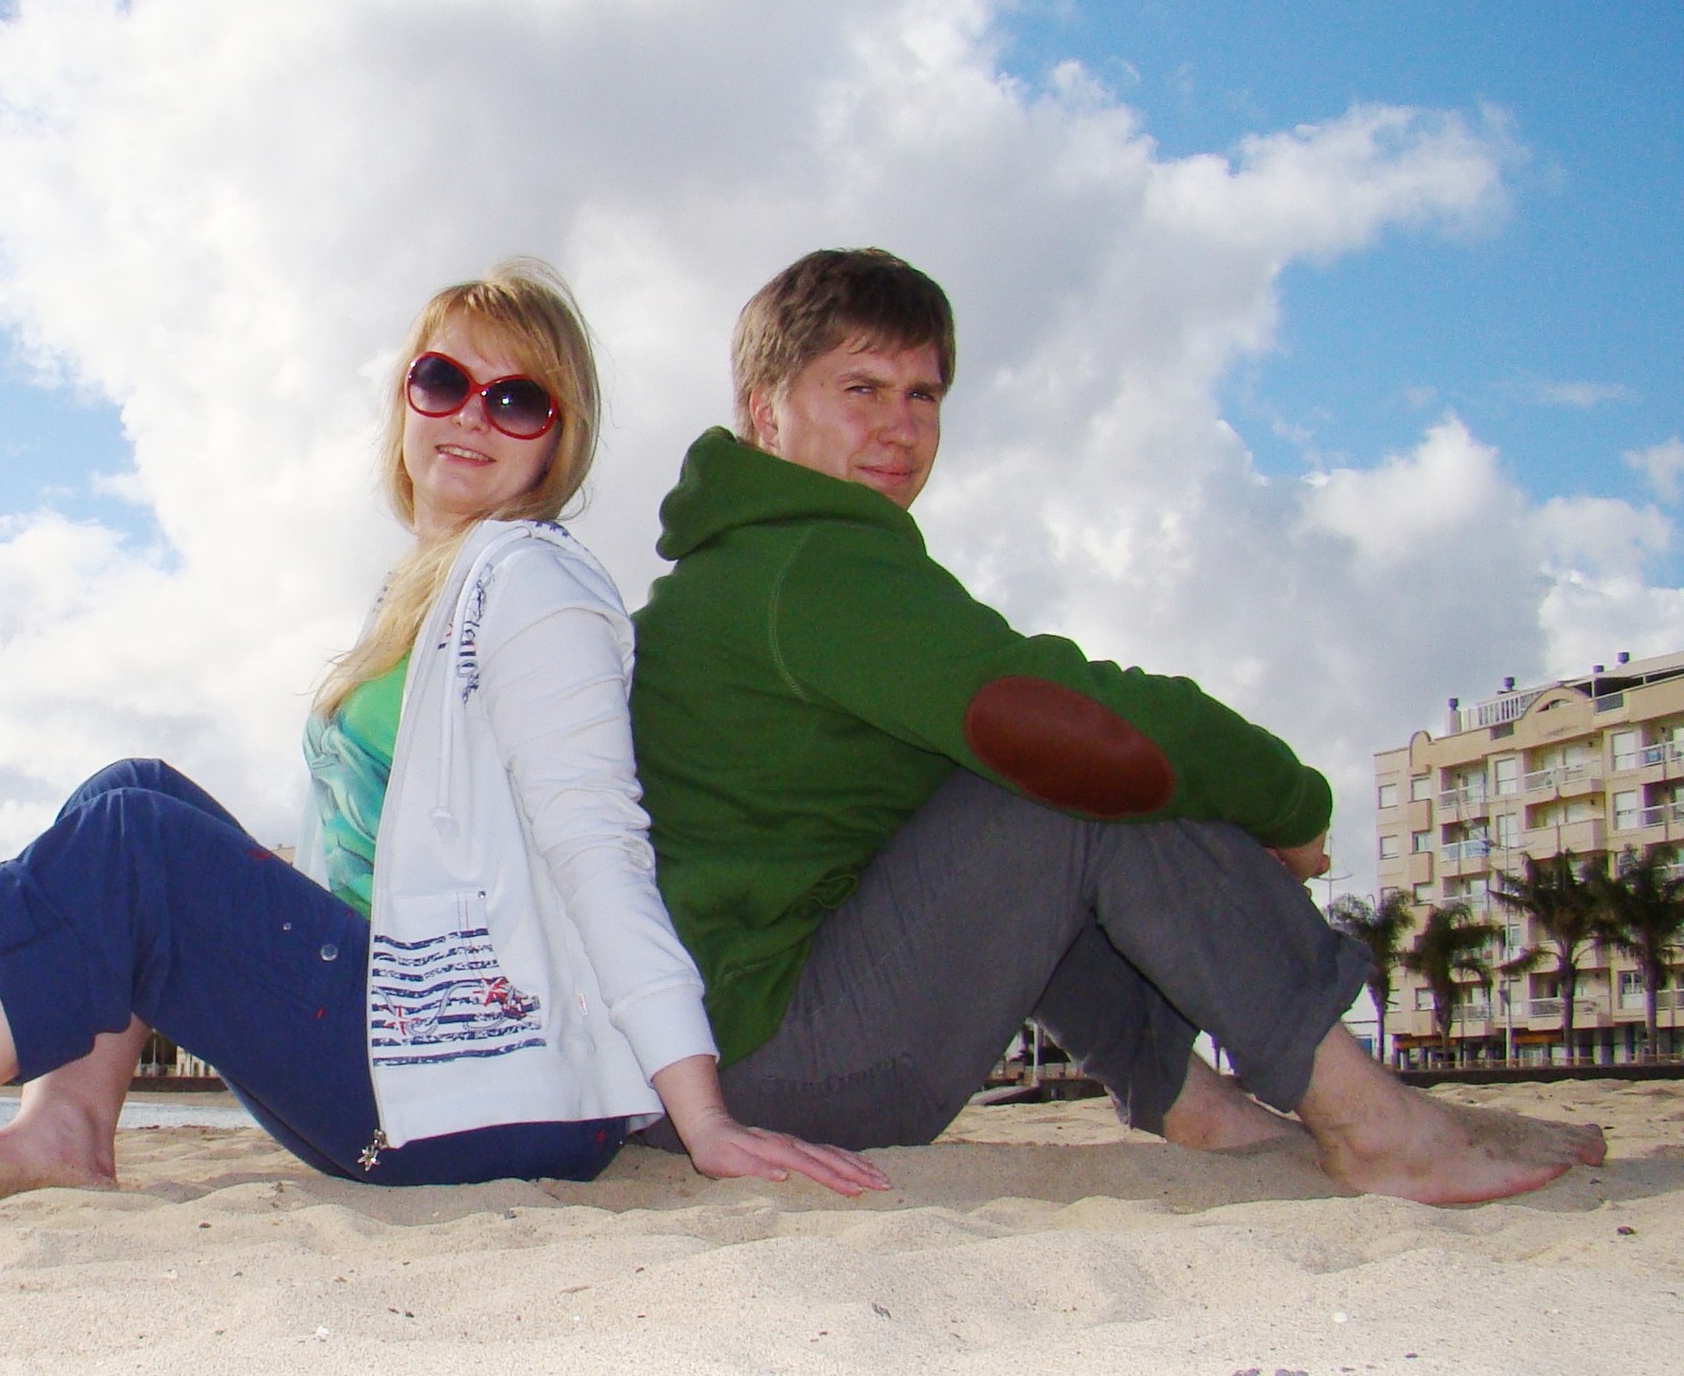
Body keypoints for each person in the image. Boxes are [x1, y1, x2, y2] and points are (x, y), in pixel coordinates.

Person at [0, 261, 887, 1217]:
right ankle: (68, 1121)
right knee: (128, 791)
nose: (470, 415)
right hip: (411, 1045)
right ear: (405, 400)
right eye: (443, 379)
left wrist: (702, 1117)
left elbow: (601, 845)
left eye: (516, 400)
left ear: (558, 439)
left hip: (469, 1094)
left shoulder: (533, 585)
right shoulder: (429, 587)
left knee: (133, 846)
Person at [628, 247, 1605, 1206]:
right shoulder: (811, 569)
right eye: (862, 389)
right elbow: (1073, 720)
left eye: (922, 394)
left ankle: (1201, 1105)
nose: (901, 426)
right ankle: (1372, 1122)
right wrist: (1289, 802)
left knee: (1013, 785)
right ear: (766, 412)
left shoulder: (761, 564)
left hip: (715, 1067)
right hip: (766, 1074)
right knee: (1068, 773)